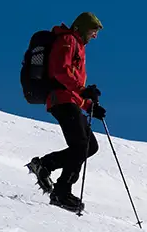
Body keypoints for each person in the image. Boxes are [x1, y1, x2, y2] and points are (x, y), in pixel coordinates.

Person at [26, 12, 106, 213]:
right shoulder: (68, 40)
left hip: (68, 100)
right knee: (81, 145)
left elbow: (72, 83)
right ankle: (62, 191)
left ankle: (45, 165)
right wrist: (83, 91)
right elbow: (60, 72)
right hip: (60, 100)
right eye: (92, 31)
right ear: (82, 28)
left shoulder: (78, 45)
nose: (94, 36)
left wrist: (89, 106)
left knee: (90, 146)